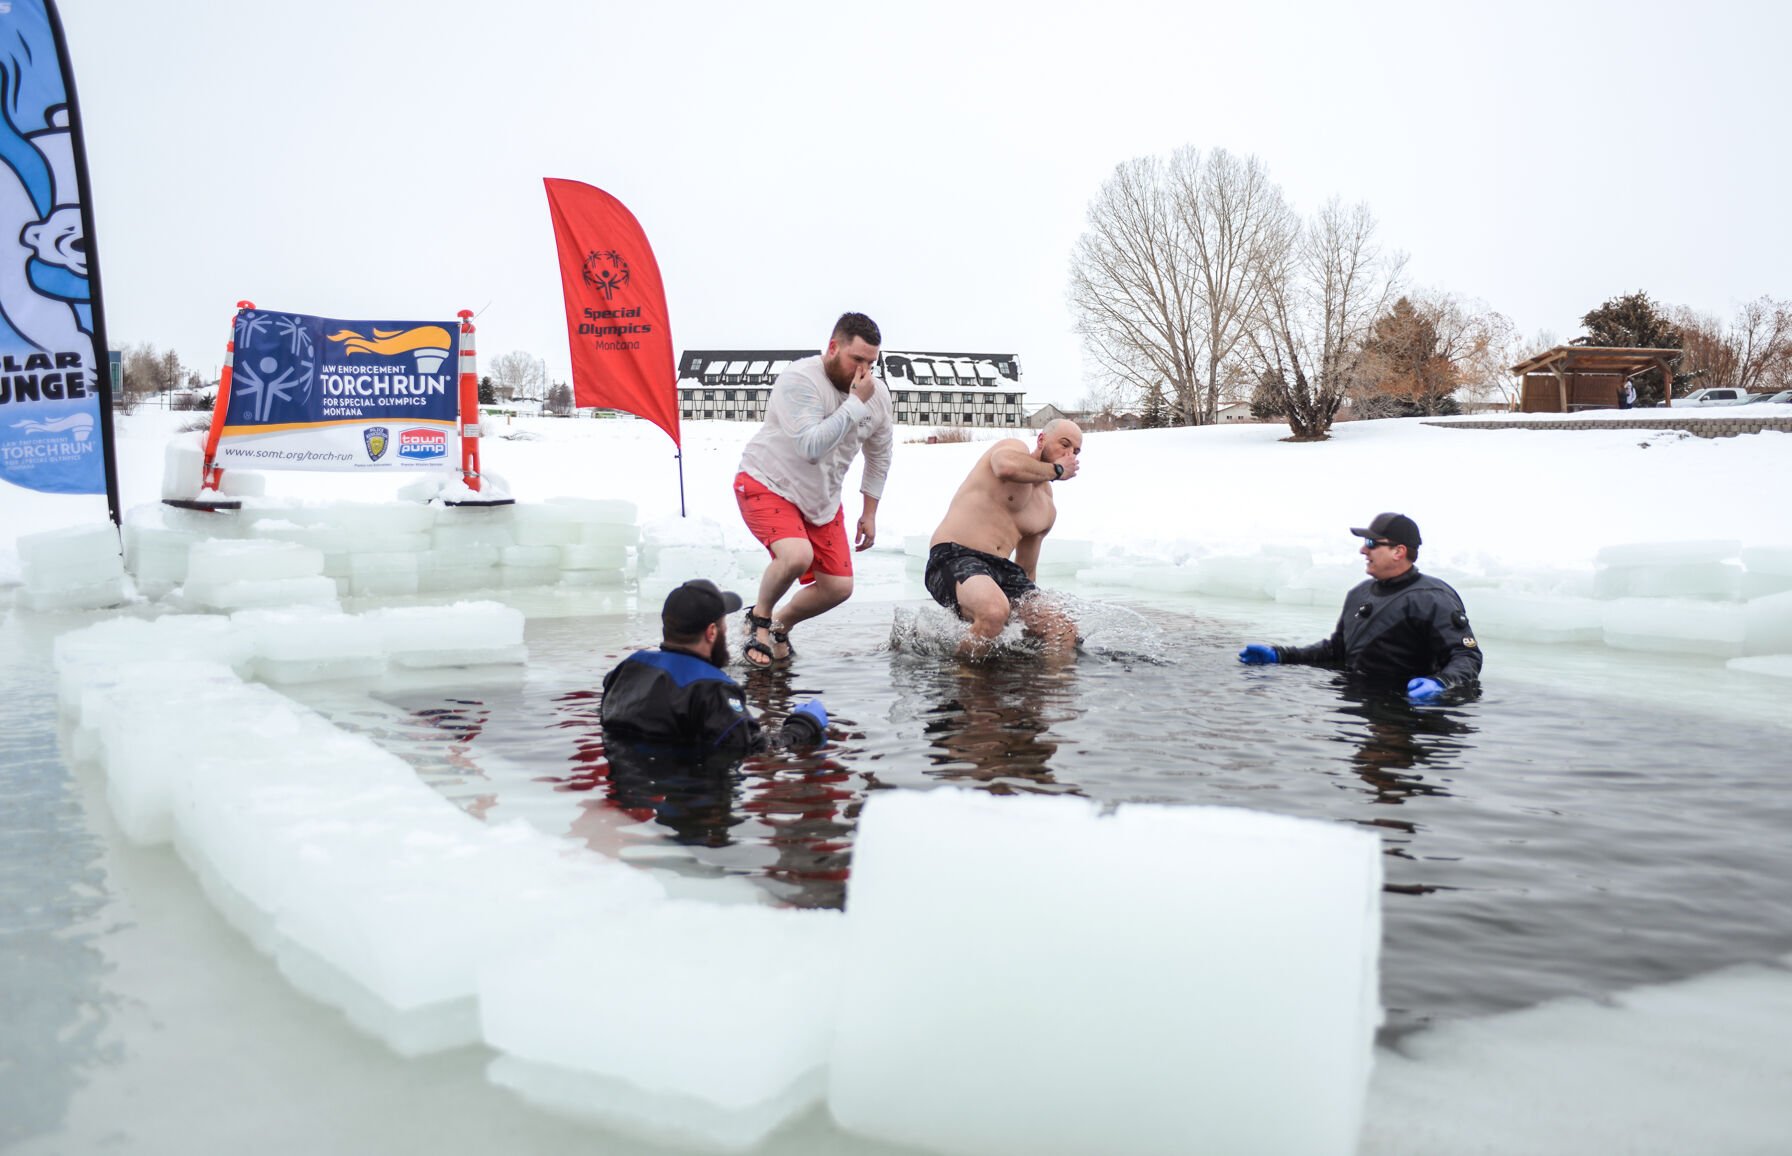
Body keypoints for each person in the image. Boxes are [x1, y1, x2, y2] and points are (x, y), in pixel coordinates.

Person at [733, 312, 895, 667]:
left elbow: (880, 456)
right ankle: (758, 620)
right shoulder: (800, 379)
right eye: (857, 359)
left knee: (838, 587)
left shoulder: (878, 396)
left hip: (821, 498)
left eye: (871, 362)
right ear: (834, 347)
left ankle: (779, 626)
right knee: (795, 556)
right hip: (768, 482)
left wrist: (869, 513)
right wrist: (855, 404)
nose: (863, 372)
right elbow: (810, 448)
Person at [1237, 513, 1482, 702]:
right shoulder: (1360, 593)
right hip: (1358, 706)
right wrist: (1282, 655)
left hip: (1408, 709)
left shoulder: (1432, 597)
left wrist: (1440, 684)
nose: (1363, 550)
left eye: (1371, 543)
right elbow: (1337, 651)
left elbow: (1466, 657)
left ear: (1399, 551)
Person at [601, 578, 827, 751]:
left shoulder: (628, 668)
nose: (725, 629)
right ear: (711, 632)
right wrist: (804, 724)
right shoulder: (712, 689)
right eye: (723, 623)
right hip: (697, 796)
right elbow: (753, 747)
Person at [923, 419, 1083, 657]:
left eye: (1075, 451)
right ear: (1041, 440)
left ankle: (1046, 690)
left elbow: (1026, 571)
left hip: (1001, 570)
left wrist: (1030, 619)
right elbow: (1005, 467)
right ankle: (963, 682)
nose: (1069, 454)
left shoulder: (1046, 508)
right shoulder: (1013, 449)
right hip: (954, 554)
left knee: (1062, 630)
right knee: (994, 612)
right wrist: (1056, 471)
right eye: (1064, 444)